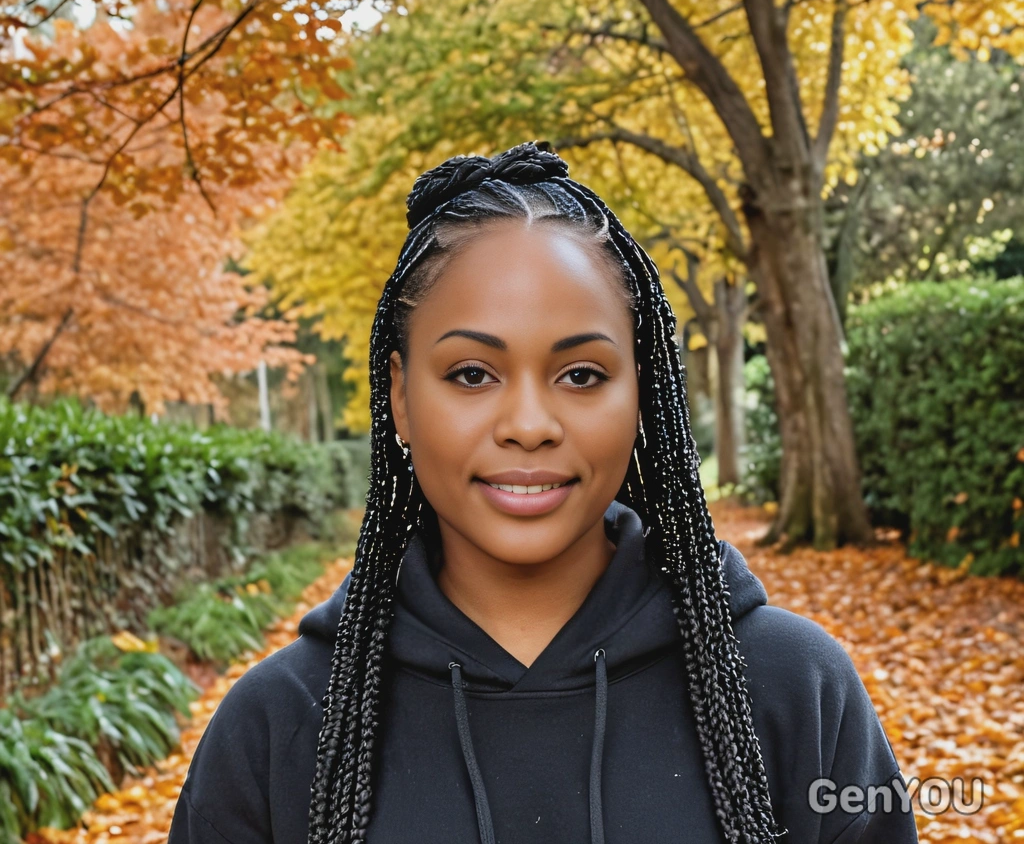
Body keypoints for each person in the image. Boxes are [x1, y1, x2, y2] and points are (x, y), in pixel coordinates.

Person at [167, 142, 919, 844]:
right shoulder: (277, 728)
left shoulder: (793, 688)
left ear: (642, 393)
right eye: (471, 374)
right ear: (399, 396)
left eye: (582, 375)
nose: (529, 426)